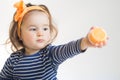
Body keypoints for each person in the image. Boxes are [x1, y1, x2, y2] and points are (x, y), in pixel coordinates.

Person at [0, 0, 107, 80]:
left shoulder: (50, 54)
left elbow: (68, 49)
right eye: (33, 29)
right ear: (20, 34)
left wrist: (85, 42)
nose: (40, 33)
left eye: (45, 28)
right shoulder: (13, 60)